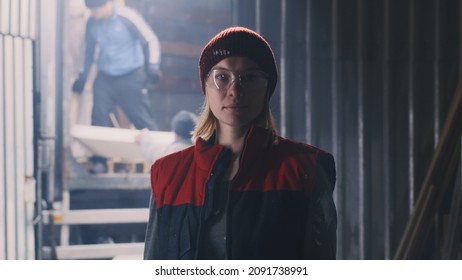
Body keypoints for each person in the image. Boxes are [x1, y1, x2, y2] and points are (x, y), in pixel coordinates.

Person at [143, 27, 337, 260]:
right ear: (205, 86)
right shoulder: (167, 174)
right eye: (222, 77)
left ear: (267, 88)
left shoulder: (304, 169)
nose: (235, 90)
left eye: (250, 77)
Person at [72, 0, 161, 173]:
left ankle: (161, 160)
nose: (94, 13)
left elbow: (150, 39)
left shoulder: (127, 16)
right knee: (98, 116)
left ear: (106, 4)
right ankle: (100, 161)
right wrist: (83, 76)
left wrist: (153, 65)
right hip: (105, 76)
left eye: (97, 9)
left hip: (130, 75)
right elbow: (88, 50)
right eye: (91, 10)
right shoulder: (92, 21)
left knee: (141, 118)